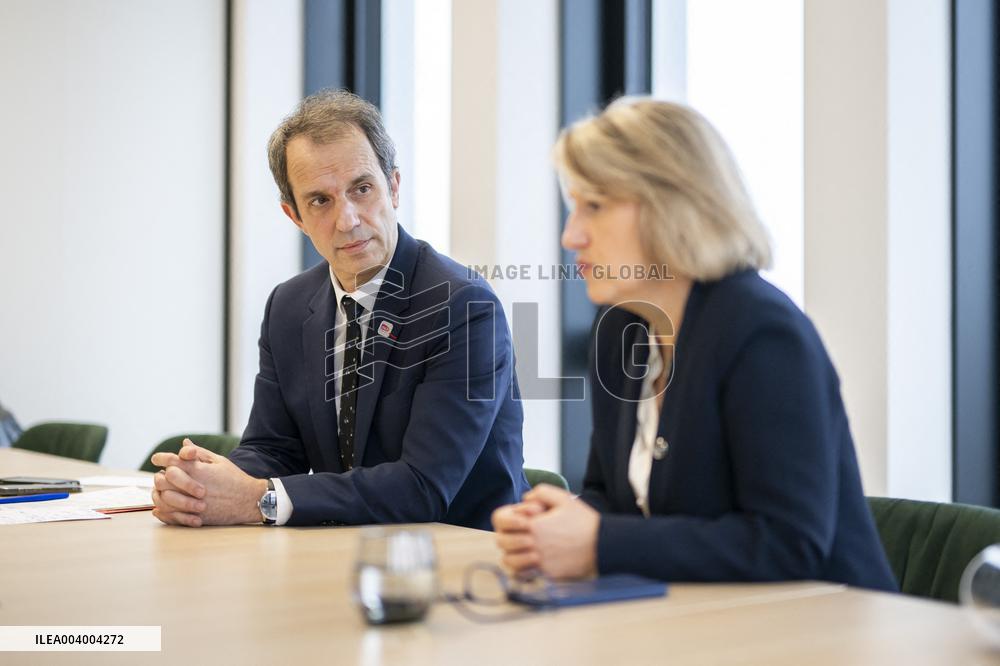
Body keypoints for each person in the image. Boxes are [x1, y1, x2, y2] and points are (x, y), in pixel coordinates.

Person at [492, 98, 897, 591]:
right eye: (573, 207)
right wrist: (558, 526)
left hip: (829, 632)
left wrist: (598, 542)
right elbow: (611, 495)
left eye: (593, 206)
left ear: (672, 205)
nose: (571, 235)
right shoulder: (622, 328)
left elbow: (789, 544)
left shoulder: (762, 333)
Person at [151, 90, 528, 528]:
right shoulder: (288, 306)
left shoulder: (462, 306)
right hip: (343, 553)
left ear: (394, 187)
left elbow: (423, 487)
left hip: (463, 559)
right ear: (294, 216)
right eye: (320, 201)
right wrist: (205, 486)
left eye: (362, 189)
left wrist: (261, 499)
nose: (347, 219)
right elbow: (274, 448)